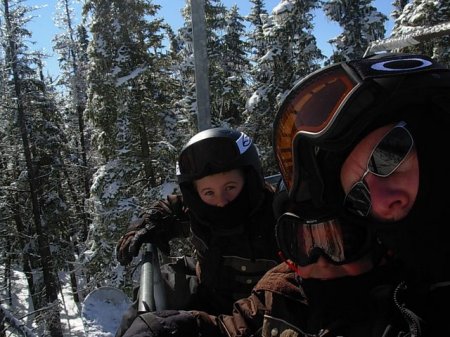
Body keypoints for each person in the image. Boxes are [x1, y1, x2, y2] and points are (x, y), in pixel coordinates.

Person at [119, 53, 450, 337]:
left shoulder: (272, 213)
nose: (220, 200)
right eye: (359, 193)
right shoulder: (205, 214)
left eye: (389, 156)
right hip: (219, 300)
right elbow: (172, 209)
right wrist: (144, 227)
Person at [115, 128, 280, 328]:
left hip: (260, 312)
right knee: (141, 318)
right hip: (208, 291)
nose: (221, 201)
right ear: (196, 194)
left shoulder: (277, 218)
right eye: (209, 192)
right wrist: (149, 222)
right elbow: (171, 209)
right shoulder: (201, 211)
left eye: (230, 187)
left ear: (249, 181)